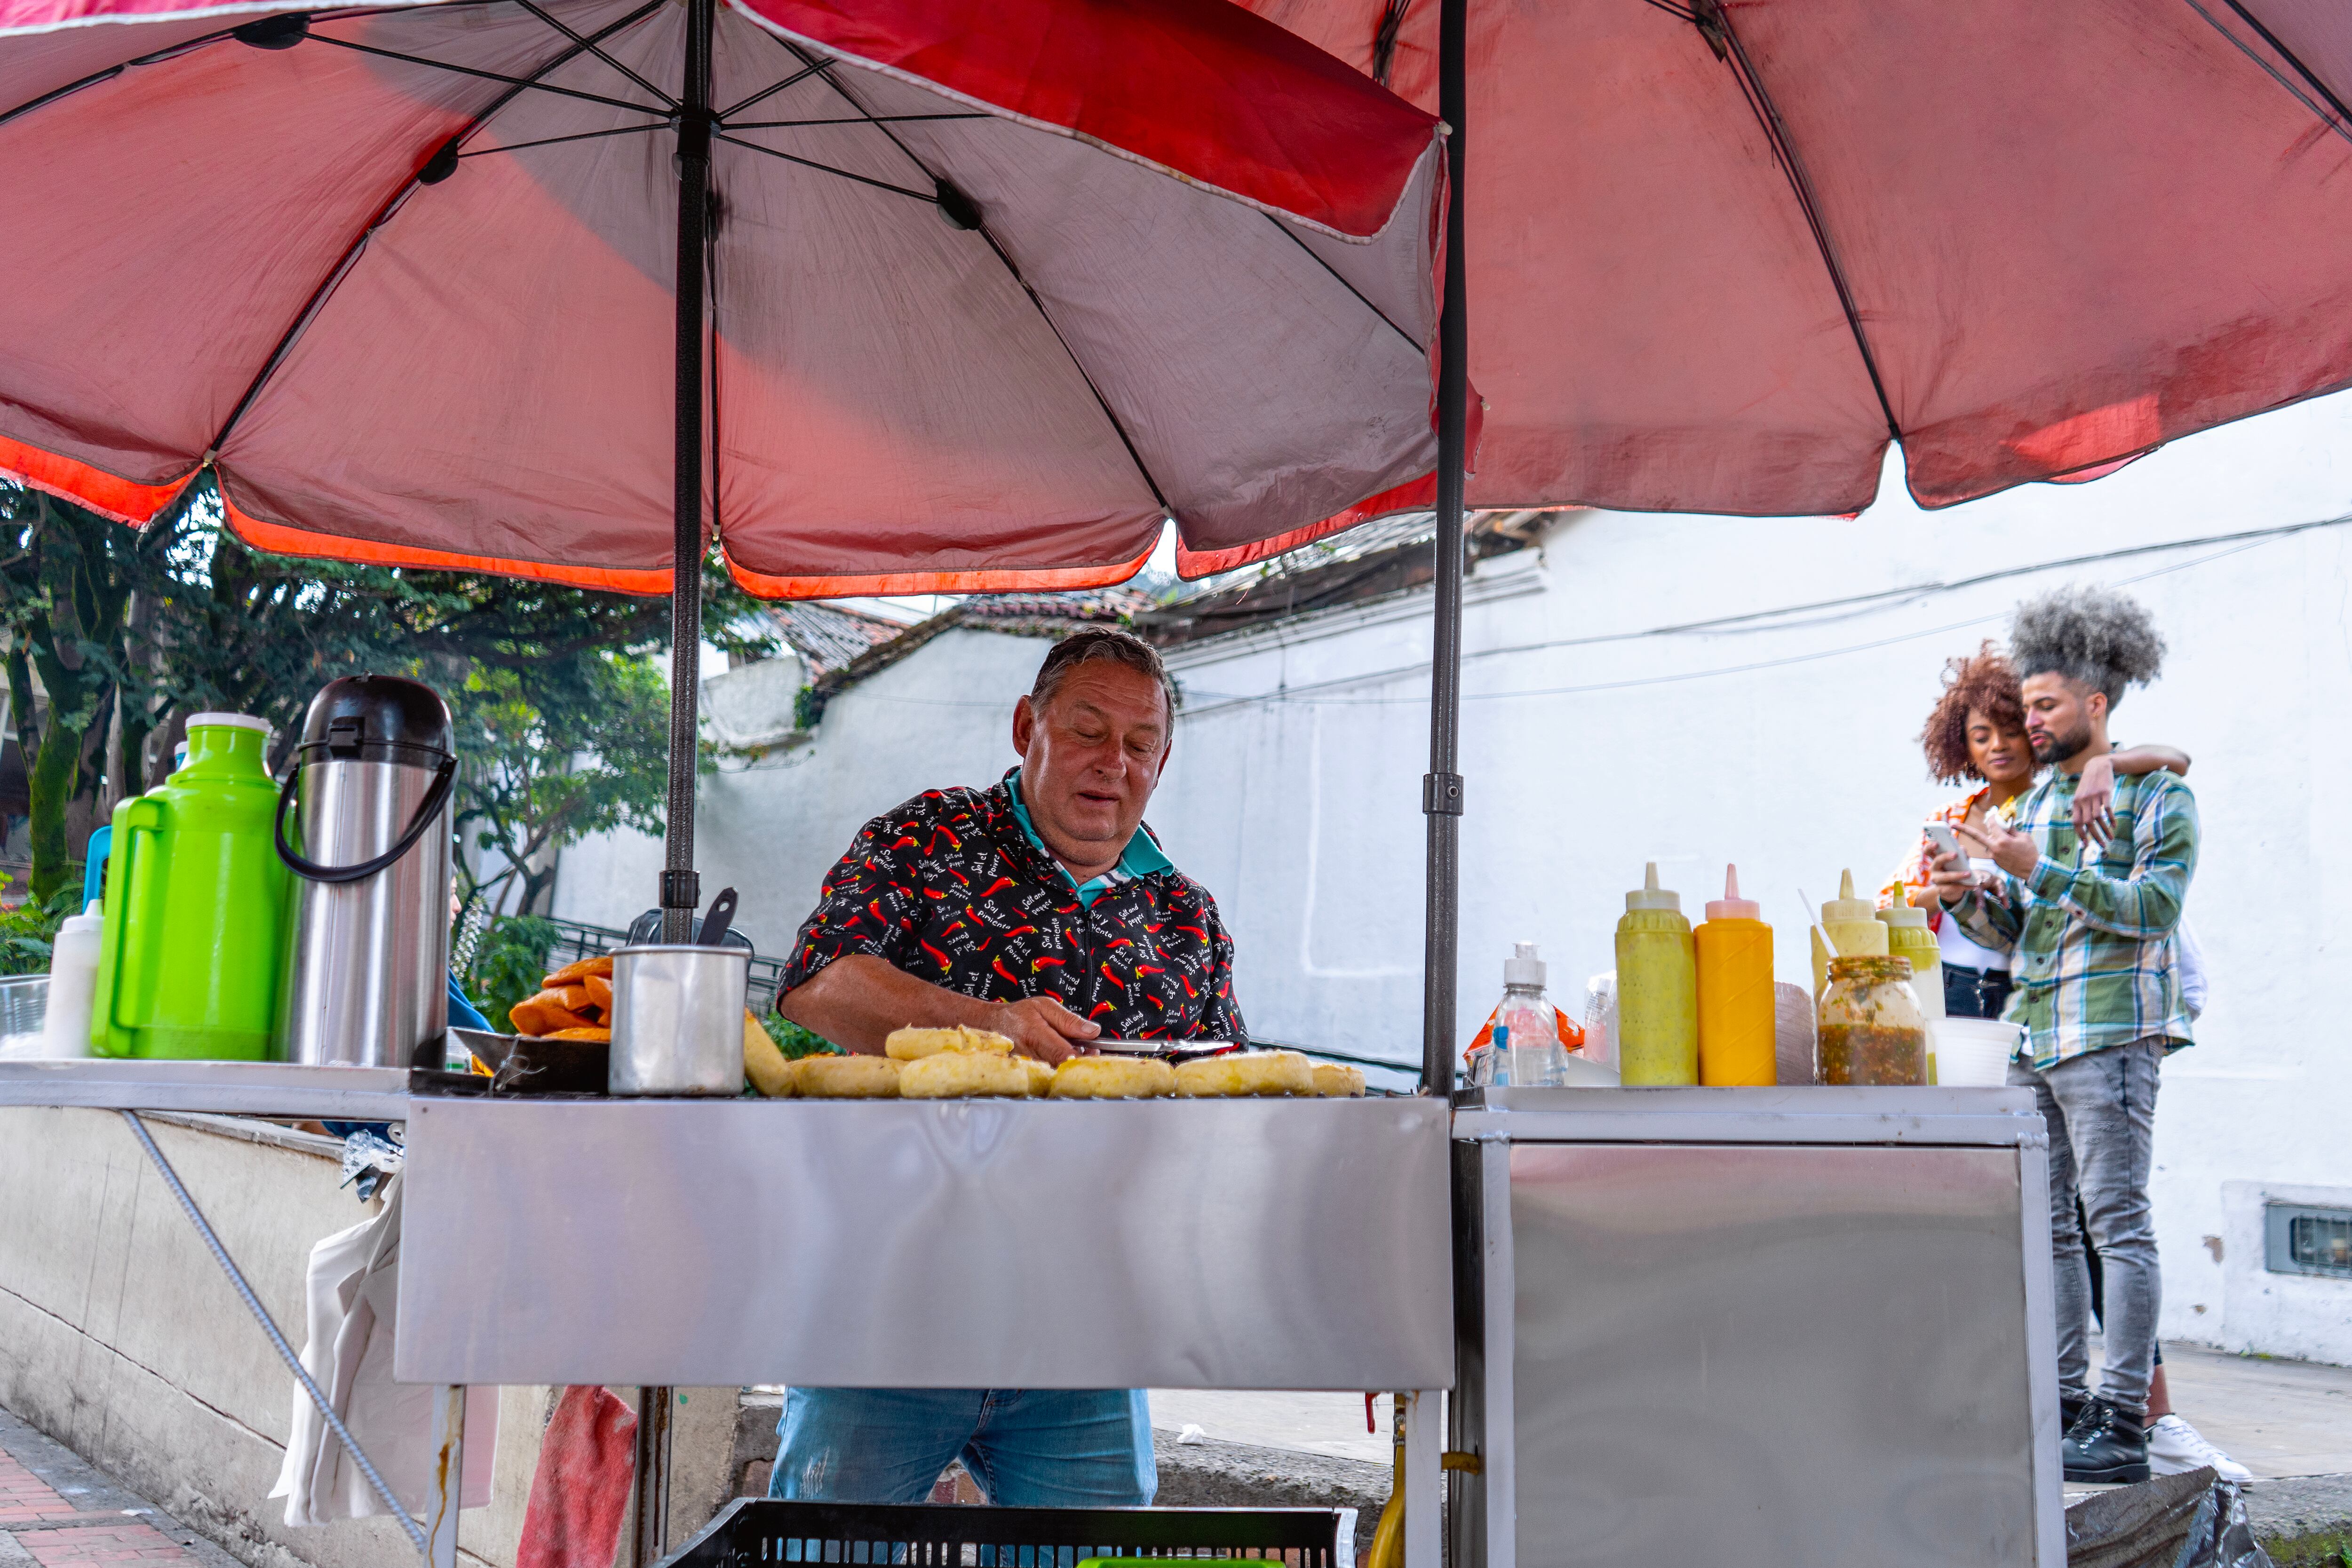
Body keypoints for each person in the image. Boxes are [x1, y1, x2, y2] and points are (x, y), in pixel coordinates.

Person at [765, 626, 1242, 1507]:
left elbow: (1227, 1092)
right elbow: (817, 983)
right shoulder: (927, 836)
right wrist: (987, 1024)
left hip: (1087, 1330)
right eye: (1089, 730)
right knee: (819, 1551)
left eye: (1140, 744)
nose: (1114, 762)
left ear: (1162, 762)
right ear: (1029, 727)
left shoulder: (1187, 917)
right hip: (888, 1304)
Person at [1930, 587, 2194, 1485]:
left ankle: (2123, 1419)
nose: (2030, 720)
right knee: (2047, 1227)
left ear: (2097, 702)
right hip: (2039, 1035)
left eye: (2044, 705)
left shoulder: (2159, 796)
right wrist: (1968, 888)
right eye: (2027, 705)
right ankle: (2065, 1400)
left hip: (2116, 1033)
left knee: (2117, 1224)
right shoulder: (2040, 803)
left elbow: (2153, 909)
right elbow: (2023, 930)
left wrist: (2034, 867)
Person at [1879, 641, 2188, 1019]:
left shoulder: (2065, 806)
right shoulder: (1951, 819)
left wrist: (2107, 763)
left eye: (2012, 731)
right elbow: (1889, 905)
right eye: (1981, 737)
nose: (1998, 746)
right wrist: (1957, 886)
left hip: (2029, 992)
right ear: (1964, 746)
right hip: (1953, 986)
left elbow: (2177, 759)